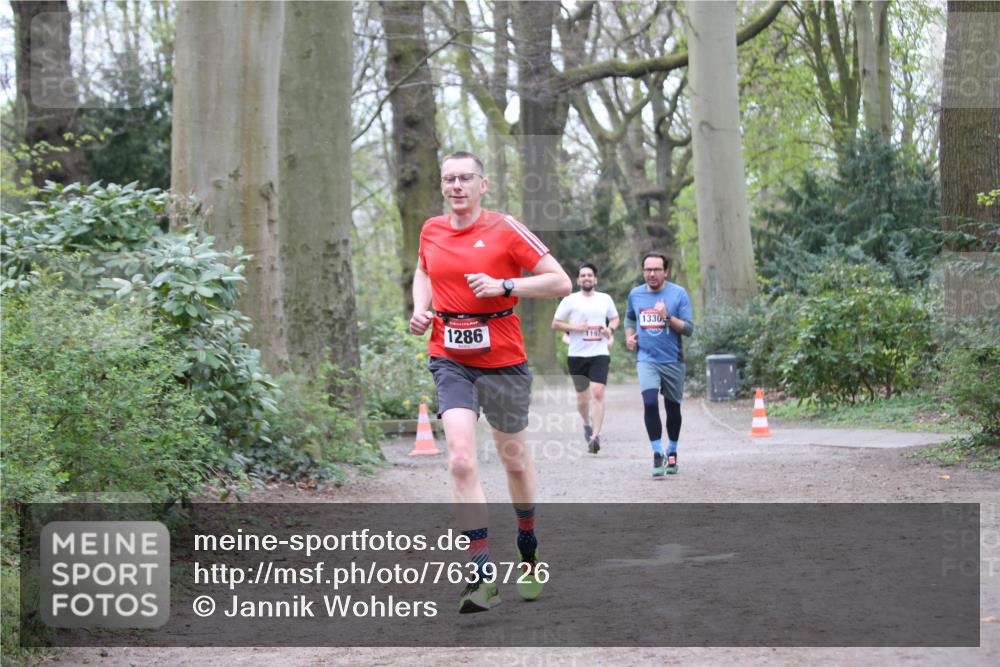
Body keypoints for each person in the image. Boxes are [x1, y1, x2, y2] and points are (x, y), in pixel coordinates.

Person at [409, 151, 571, 613]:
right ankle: (482, 577)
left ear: (484, 184)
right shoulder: (431, 229)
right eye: (448, 179)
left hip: (502, 359)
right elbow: (423, 269)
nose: (456, 186)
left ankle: (528, 549)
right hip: (449, 357)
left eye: (465, 178)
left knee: (514, 462)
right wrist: (420, 308)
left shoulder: (505, 228)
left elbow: (558, 281)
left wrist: (504, 286)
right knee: (460, 459)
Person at [623, 253, 694, 477]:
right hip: (647, 359)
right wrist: (629, 336)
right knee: (650, 403)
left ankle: (672, 451)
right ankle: (656, 453)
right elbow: (629, 318)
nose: (651, 274)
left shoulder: (678, 294)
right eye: (647, 269)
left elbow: (689, 329)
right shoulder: (635, 294)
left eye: (656, 269)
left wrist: (667, 316)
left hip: (673, 359)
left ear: (666, 271)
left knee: (673, 409)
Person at [551, 262, 620, 454]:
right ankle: (586, 423)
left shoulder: (605, 299)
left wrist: (610, 329)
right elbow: (555, 324)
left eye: (590, 275)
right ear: (578, 280)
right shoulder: (570, 300)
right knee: (583, 398)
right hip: (577, 355)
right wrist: (575, 329)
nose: (586, 278)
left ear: (595, 279)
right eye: (583, 275)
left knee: (597, 392)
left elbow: (615, 318)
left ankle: (595, 436)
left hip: (599, 353)